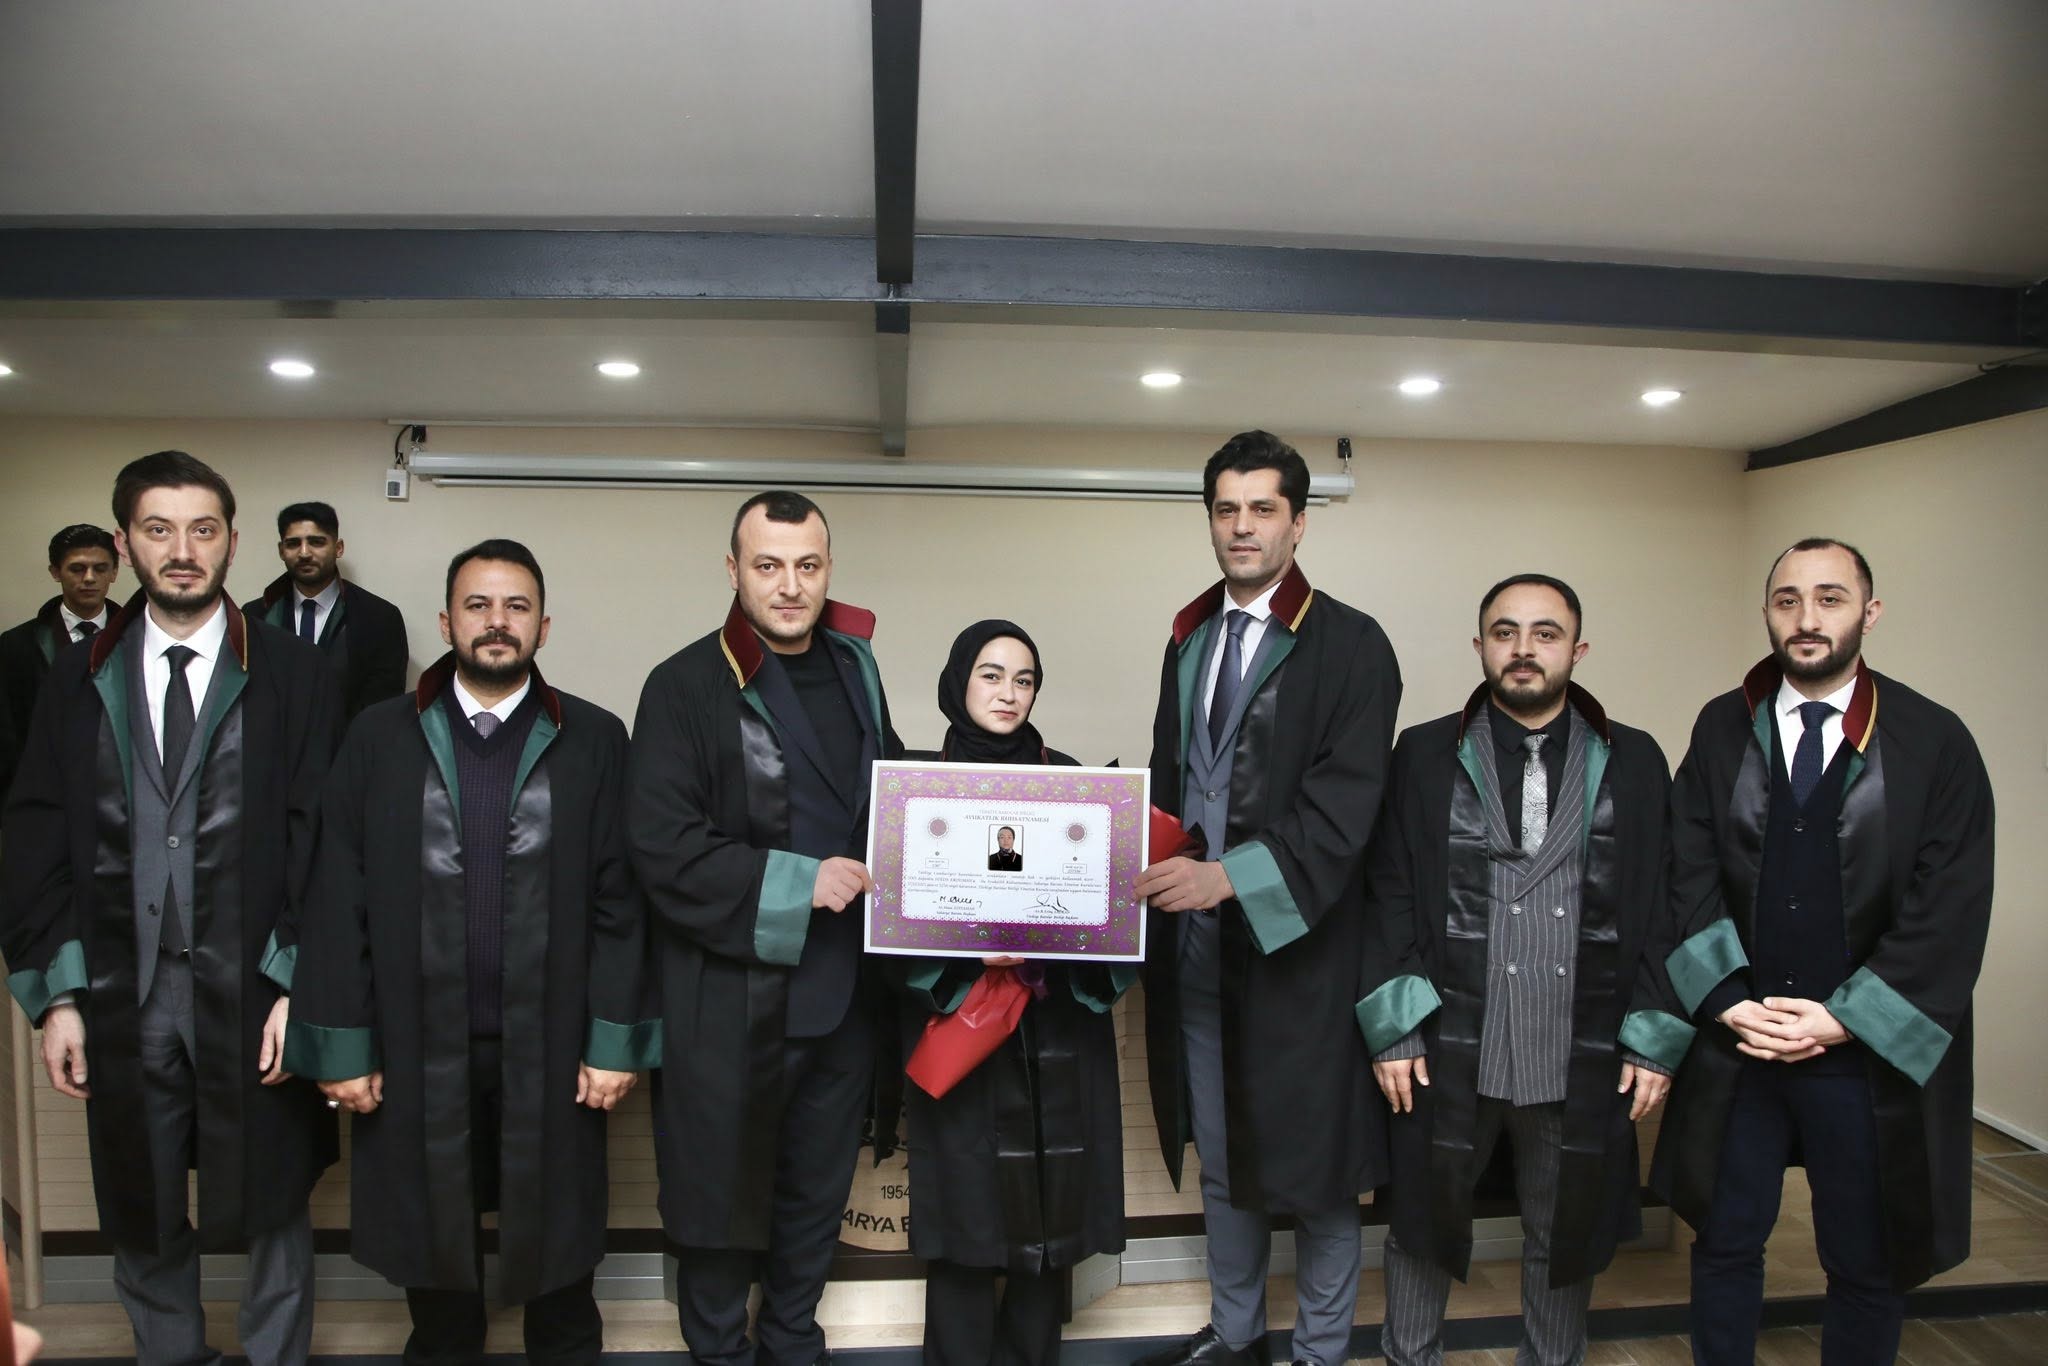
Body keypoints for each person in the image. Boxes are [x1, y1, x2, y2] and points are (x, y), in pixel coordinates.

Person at [1, 451, 339, 1366]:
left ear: (231, 541)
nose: (182, 551)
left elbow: (323, 836)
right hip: (122, 986)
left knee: (274, 1199)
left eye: (202, 530)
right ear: (125, 544)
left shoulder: (294, 671)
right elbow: (33, 835)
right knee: (138, 1195)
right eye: (159, 530)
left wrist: (295, 984)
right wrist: (59, 996)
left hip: (256, 984)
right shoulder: (78, 679)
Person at [285, 539, 654, 1365]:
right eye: (478, 605)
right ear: (446, 621)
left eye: (517, 606)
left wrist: (612, 1039)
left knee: (560, 1249)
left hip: (555, 1044)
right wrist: (344, 1045)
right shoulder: (379, 736)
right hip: (415, 1041)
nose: (497, 622)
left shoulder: (594, 738)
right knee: (434, 1248)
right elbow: (337, 894)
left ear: (544, 626)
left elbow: (621, 900)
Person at [1651, 538, 1995, 1365]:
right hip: (1743, 1044)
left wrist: (1847, 1019)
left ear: (1869, 613)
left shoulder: (1933, 739)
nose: (1807, 619)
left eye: (1830, 598)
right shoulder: (1722, 724)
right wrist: (1727, 998)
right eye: (1788, 600)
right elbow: (1684, 869)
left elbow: (1949, 904)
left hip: (1862, 1055)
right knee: (1725, 1240)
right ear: (1768, 613)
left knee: (1866, 1258)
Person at [1357, 574, 1692, 1366]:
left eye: (1545, 633)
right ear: (1480, 647)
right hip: (1447, 1046)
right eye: (1505, 632)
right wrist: (1394, 1028)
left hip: (1576, 1045)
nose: (1523, 649)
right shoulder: (1423, 754)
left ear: (1578, 649)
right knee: (1421, 1230)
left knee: (1563, 1234)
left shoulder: (1635, 760)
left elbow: (1667, 904)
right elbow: (1386, 891)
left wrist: (1654, 1038)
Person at [1134, 431, 1401, 1366]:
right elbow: (1174, 784)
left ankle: (1320, 1352)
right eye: (1226, 509)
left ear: (1298, 521)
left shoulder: (1353, 644)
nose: (1242, 526)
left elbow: (1346, 807)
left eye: (1262, 508)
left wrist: (1230, 878)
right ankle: (1236, 1332)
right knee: (1222, 1158)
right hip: (1198, 959)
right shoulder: (1188, 639)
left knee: (1320, 1176)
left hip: (1303, 956)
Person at [629, 490, 902, 1366]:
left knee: (816, 1195)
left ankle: (792, 1341)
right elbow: (664, 849)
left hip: (842, 997)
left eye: (807, 566)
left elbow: (891, 802)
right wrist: (800, 882)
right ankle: (719, 1353)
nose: (790, 585)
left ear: (828, 570)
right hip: (727, 995)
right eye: (769, 565)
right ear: (734, 570)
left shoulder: (858, 668)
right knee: (717, 1198)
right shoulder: (681, 686)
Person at [890, 621, 1132, 1366]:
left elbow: (1111, 917)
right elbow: (890, 921)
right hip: (964, 1025)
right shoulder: (916, 787)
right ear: (958, 682)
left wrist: (1066, 934)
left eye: (1023, 679)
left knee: (1046, 1219)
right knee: (964, 1224)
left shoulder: (1075, 785)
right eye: (990, 675)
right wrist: (964, 949)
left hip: (1055, 1029)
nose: (1008, 693)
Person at [243, 501, 409, 721]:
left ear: (338, 548)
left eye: (316, 542)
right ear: (281, 551)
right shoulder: (254, 615)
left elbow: (382, 709)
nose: (304, 553)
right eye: (293, 544)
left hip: (348, 742)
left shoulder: (380, 618)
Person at [0, 523, 119, 795]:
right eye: (77, 569)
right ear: (56, 572)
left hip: (119, 796)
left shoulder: (138, 639)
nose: (89, 578)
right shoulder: (17, 644)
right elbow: (7, 735)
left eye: (100, 568)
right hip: (44, 793)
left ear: (114, 572)